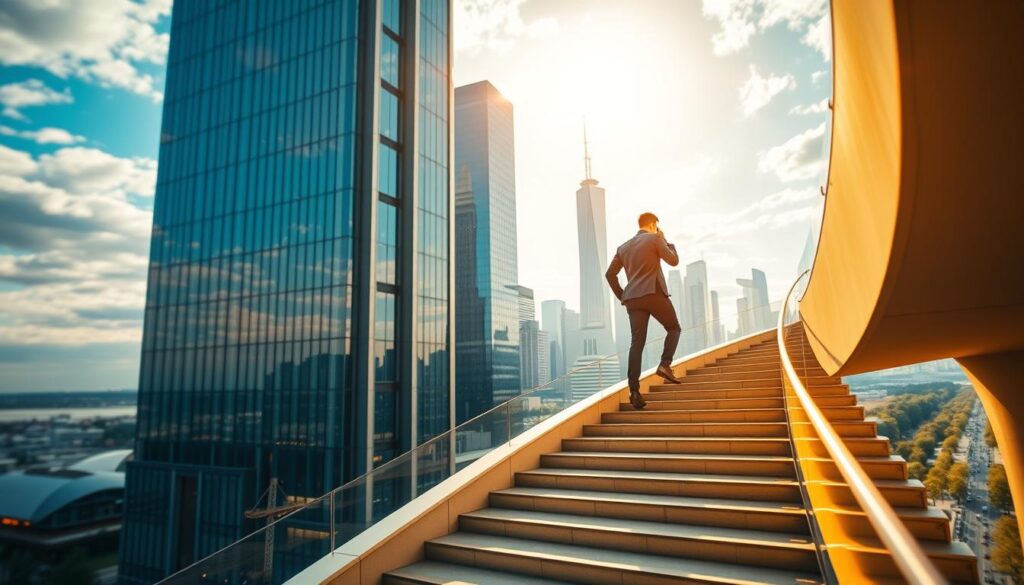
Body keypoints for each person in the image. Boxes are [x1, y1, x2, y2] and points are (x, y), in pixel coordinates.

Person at [605, 212, 683, 409]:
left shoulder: (623, 247)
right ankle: (665, 365)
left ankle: (634, 391)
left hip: (633, 299)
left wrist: (623, 295)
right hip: (654, 293)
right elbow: (673, 261)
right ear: (653, 224)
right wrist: (666, 241)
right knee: (674, 328)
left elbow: (610, 274)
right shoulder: (656, 238)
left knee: (636, 344)